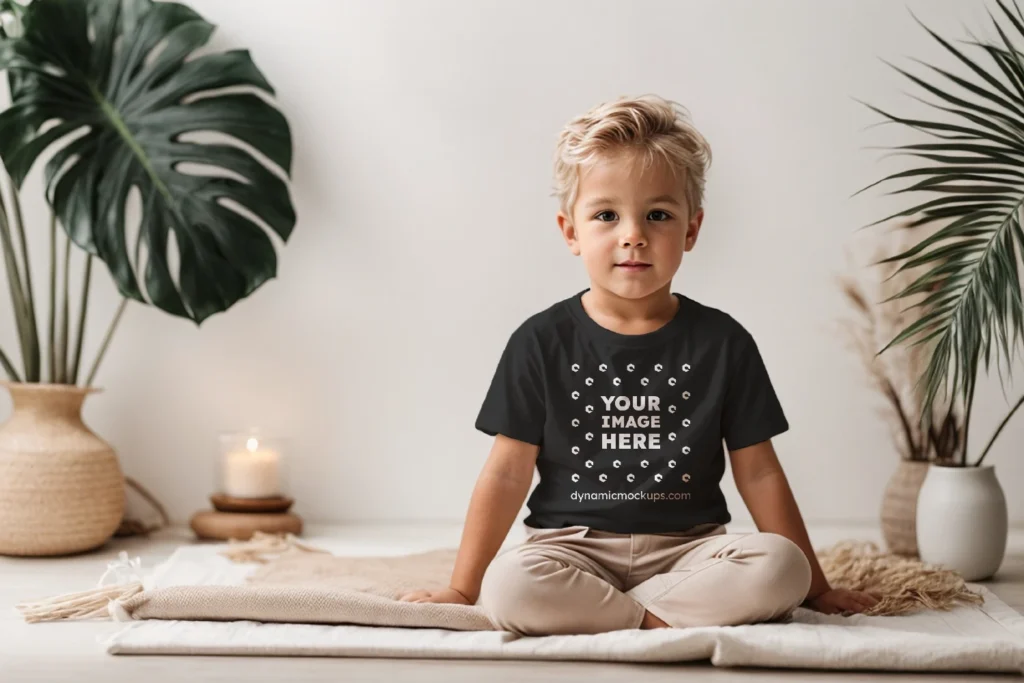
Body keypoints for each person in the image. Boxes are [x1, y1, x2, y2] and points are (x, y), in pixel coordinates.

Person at [399, 94, 879, 635]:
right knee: (509, 585)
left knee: (780, 567)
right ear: (571, 232)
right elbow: (507, 472)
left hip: (690, 552)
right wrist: (463, 588)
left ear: (691, 230)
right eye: (606, 215)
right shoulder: (540, 341)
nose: (633, 234)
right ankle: (661, 619)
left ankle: (614, 616)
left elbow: (760, 470)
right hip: (572, 552)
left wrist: (816, 587)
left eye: (658, 215)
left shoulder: (724, 342)